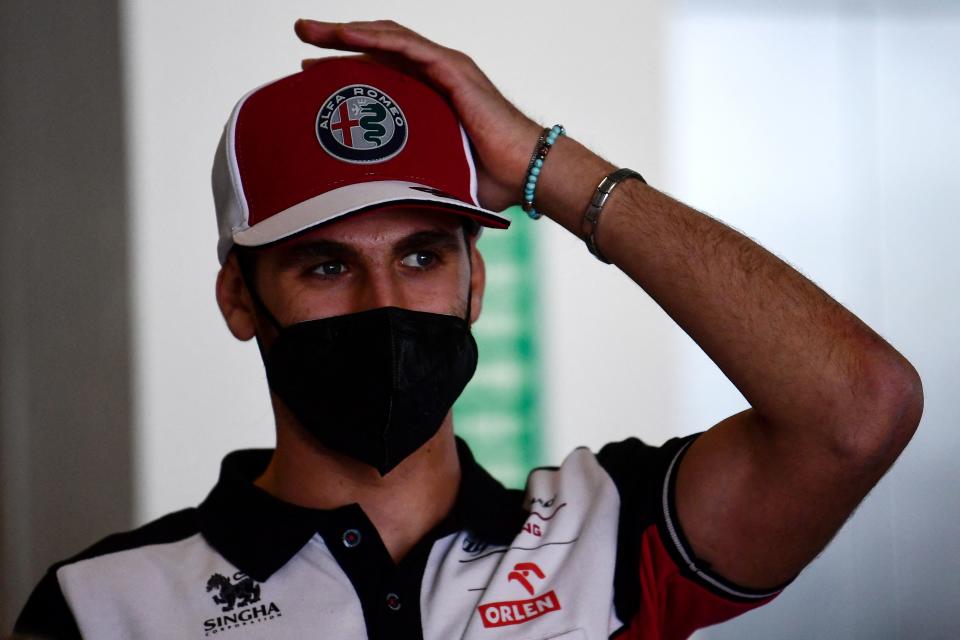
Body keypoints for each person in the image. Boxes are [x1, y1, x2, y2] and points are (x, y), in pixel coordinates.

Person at [13, 19, 923, 640]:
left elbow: (858, 410)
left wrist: (541, 163)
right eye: (326, 265)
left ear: (475, 279)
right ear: (240, 300)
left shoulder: (605, 536)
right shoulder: (103, 607)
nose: (386, 301)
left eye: (421, 256)